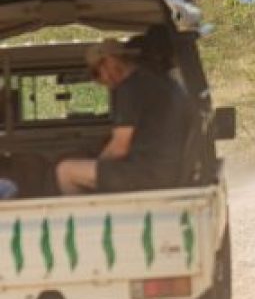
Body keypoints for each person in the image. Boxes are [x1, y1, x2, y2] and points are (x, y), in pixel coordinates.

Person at [55, 39, 191, 195]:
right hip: (166, 169)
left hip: (147, 173)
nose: (99, 81)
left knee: (65, 171)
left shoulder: (129, 89)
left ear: (110, 61)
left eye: (96, 73)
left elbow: (119, 148)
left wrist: (97, 165)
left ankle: (82, 218)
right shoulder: (160, 81)